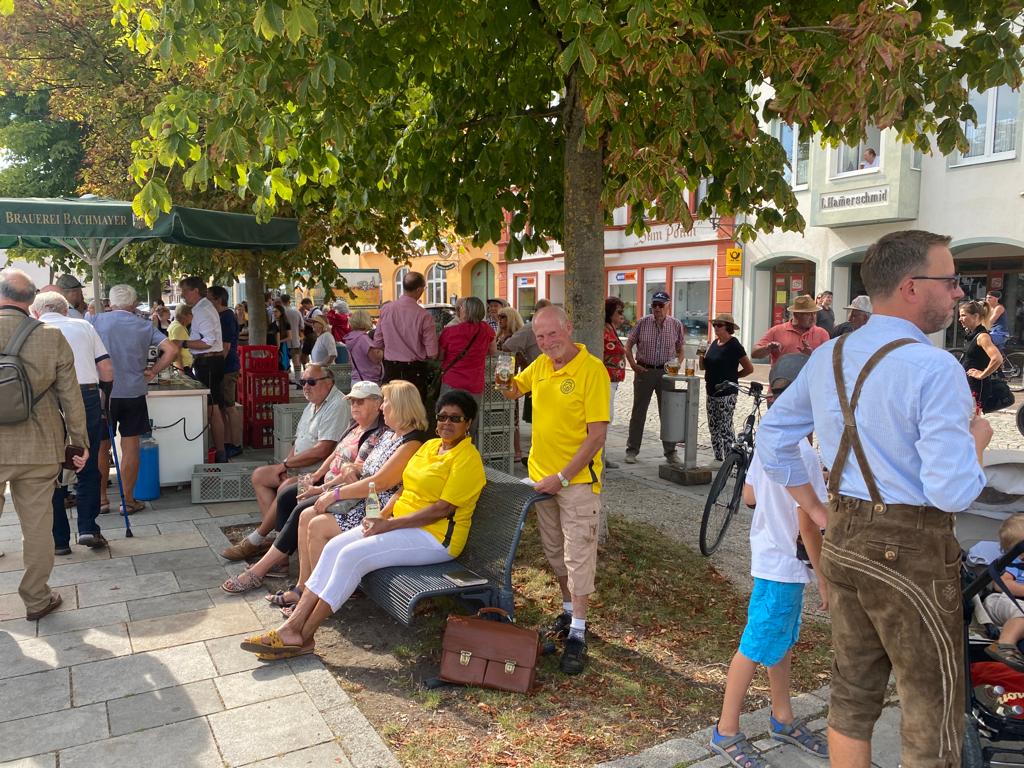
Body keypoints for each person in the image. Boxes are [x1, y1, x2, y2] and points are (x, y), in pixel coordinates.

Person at [757, 229, 992, 767]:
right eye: (951, 281)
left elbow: (773, 437)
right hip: (913, 549)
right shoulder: (934, 367)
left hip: (844, 538)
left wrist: (818, 509)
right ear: (912, 286)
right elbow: (951, 491)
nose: (959, 293)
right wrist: (977, 442)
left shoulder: (832, 354)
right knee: (931, 702)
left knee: (853, 694)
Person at [240, 388, 486, 659]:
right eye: (442, 417)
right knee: (335, 547)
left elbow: (441, 509)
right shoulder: (429, 447)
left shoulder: (467, 459)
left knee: (350, 556)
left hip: (435, 537)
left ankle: (303, 634)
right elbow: (403, 490)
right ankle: (293, 627)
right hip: (402, 525)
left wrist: (389, 525)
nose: (447, 424)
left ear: (468, 423)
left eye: (456, 418)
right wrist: (383, 515)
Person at [710, 353, 828, 767]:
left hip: (770, 558)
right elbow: (809, 524)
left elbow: (750, 497)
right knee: (755, 646)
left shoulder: (769, 443)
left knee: (778, 643)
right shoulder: (808, 458)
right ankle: (726, 730)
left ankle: (782, 717)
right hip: (786, 566)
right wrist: (825, 583)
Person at [220, 381, 424, 599]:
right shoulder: (388, 435)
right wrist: (330, 480)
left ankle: (309, 592)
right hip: (356, 497)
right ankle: (302, 586)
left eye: (387, 403)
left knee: (308, 516)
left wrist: (331, 493)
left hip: (371, 508)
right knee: (298, 503)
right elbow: (361, 465)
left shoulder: (409, 443)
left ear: (401, 406)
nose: (383, 408)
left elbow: (379, 482)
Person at [499, 305, 610, 674]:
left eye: (553, 335)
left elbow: (596, 437)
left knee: (579, 556)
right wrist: (505, 382)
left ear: (569, 328)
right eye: (540, 337)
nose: (547, 343)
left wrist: (561, 477)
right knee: (555, 553)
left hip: (574, 482)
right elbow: (515, 391)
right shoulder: (543, 365)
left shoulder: (591, 369)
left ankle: (578, 631)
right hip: (541, 479)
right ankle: (566, 613)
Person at [0, 269, 88, 620]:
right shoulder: (50, 337)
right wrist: (78, 443)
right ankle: (37, 599)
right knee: (37, 527)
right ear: (31, 301)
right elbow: (71, 397)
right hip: (39, 445)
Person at [221, 364, 347, 561]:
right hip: (301, 467)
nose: (306, 386)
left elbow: (323, 450)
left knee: (286, 487)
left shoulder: (337, 405)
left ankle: (259, 541)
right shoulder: (313, 402)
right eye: (302, 382)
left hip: (320, 472)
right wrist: (288, 463)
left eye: (311, 382)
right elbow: (299, 441)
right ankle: (277, 539)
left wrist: (286, 466)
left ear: (329, 382)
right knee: (260, 475)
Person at [31, 291, 114, 553]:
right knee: (85, 458)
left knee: (52, 465)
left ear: (36, 312)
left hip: (45, 398)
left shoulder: (33, 329)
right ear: (66, 310)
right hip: (85, 394)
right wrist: (105, 395)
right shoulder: (83, 325)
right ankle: (88, 527)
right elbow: (106, 368)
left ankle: (58, 541)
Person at [93, 284, 177, 515]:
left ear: (110, 303)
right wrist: (154, 370)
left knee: (101, 448)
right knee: (131, 447)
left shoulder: (95, 321)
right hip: (133, 392)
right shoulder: (143, 325)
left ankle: (101, 500)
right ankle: (127, 500)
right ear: (133, 304)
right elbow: (171, 350)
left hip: (103, 393)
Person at [624, 290, 685, 465]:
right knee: (638, 413)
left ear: (668, 306)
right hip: (644, 371)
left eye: (661, 305)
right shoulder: (642, 323)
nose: (657, 308)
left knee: (668, 413)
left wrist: (677, 363)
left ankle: (671, 452)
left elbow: (681, 348)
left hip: (666, 374)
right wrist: (633, 365)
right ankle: (632, 450)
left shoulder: (675, 324)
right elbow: (628, 345)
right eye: (654, 305)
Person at [370, 271, 438, 407]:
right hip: (415, 371)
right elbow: (433, 353)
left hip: (391, 369)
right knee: (414, 413)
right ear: (419, 289)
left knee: (390, 411)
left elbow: (377, 342)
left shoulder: (386, 310)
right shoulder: (424, 316)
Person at [178, 277, 228, 462]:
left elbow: (208, 341)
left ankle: (220, 452)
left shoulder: (203, 310)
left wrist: (182, 343)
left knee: (212, 409)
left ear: (195, 291)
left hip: (209, 362)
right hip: (207, 361)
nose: (182, 295)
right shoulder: (202, 308)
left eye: (184, 291)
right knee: (212, 407)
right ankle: (219, 449)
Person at [438, 296, 496, 444]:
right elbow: (493, 351)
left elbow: (440, 356)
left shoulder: (450, 332)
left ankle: (447, 452)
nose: (459, 310)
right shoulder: (486, 330)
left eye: (462, 308)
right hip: (474, 384)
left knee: (447, 421)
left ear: (466, 311)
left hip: (452, 383)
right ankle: (468, 453)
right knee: (470, 422)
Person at [698, 313, 754, 466]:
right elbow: (703, 367)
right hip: (711, 391)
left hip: (727, 394)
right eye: (714, 325)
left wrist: (733, 378)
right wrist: (701, 355)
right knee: (713, 426)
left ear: (727, 328)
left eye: (719, 325)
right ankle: (717, 459)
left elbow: (749, 368)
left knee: (725, 427)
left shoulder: (734, 345)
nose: (715, 328)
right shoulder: (714, 343)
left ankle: (731, 462)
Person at [981, 514, 1024, 672]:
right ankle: (1004, 644)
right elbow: (1001, 584)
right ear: (1020, 552)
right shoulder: (1014, 562)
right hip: (1000, 599)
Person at [209, 286, 243, 458]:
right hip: (223, 367)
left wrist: (214, 364)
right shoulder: (221, 316)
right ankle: (227, 443)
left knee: (230, 407)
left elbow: (226, 346)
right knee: (223, 408)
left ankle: (236, 444)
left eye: (209, 298)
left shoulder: (227, 316)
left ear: (217, 299)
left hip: (227, 368)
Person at [750, 295, 829, 367]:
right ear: (796, 315)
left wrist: (811, 355)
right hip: (783, 381)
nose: (813, 317)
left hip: (811, 381)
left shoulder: (822, 333)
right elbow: (754, 354)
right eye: (808, 314)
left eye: (814, 313)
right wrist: (767, 348)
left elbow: (829, 361)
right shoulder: (777, 330)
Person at [959, 299, 1003, 407]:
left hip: (976, 388)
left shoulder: (982, 336)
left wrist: (982, 375)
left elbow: (997, 359)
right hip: (968, 385)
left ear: (975, 316)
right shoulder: (972, 335)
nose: (960, 319)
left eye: (964, 315)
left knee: (972, 421)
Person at [602, 297, 626, 469]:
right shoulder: (604, 330)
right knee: (605, 417)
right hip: (605, 380)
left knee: (607, 417)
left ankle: (601, 455)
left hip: (612, 380)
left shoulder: (610, 329)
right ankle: (599, 456)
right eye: (619, 312)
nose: (622, 316)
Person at [343, 309, 383, 384]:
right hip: (368, 381)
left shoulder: (352, 337)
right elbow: (375, 358)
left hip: (357, 379)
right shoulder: (363, 338)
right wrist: (382, 349)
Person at [279, 294, 304, 385]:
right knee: (296, 361)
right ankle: (298, 380)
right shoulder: (296, 312)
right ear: (289, 300)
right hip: (295, 341)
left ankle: (285, 380)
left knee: (284, 361)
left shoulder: (279, 312)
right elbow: (302, 326)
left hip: (282, 341)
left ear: (281, 301)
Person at [167, 303, 194, 373]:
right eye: (191, 314)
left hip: (184, 366)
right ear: (185, 315)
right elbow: (177, 350)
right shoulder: (178, 328)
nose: (193, 317)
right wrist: (181, 370)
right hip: (183, 367)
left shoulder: (178, 325)